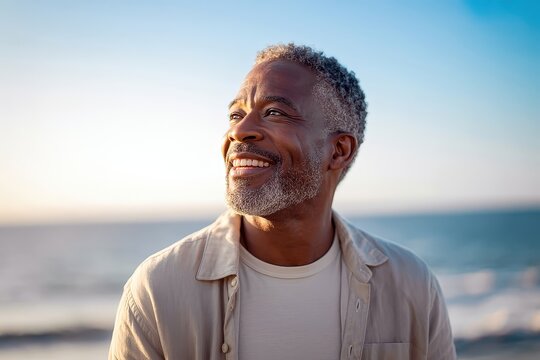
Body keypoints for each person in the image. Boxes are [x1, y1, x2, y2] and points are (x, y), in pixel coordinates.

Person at [109, 43, 456, 360]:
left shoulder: (411, 285)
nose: (239, 130)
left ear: (338, 150)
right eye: (235, 114)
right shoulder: (159, 289)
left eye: (274, 112)